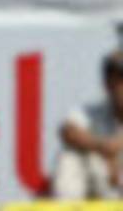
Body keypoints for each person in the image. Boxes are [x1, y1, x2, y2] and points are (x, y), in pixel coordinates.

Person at [51, 43, 123, 199]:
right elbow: (67, 130)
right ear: (107, 85)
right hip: (107, 199)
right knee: (71, 156)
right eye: (119, 80)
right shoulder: (95, 112)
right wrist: (103, 147)